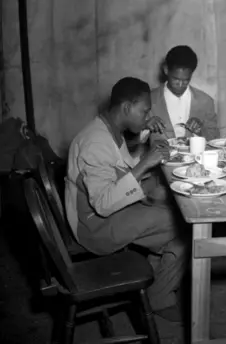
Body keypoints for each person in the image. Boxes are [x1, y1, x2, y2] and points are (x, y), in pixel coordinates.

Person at [65, 77, 187, 322]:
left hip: (103, 214)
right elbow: (103, 204)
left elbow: (123, 169)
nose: (148, 115)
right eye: (144, 110)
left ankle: (154, 287)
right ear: (127, 108)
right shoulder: (96, 141)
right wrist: (146, 163)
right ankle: (158, 296)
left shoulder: (107, 129)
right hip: (94, 226)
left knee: (170, 207)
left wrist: (146, 146)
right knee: (184, 225)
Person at [149, 45, 219, 142]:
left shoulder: (205, 102)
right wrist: (146, 127)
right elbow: (133, 141)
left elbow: (215, 139)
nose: (180, 84)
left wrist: (200, 131)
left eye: (186, 80)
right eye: (175, 79)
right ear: (166, 70)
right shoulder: (150, 99)